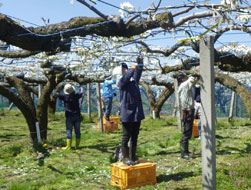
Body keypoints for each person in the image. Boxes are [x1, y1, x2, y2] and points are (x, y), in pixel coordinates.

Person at [117, 56, 145, 166]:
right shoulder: (121, 82)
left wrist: (140, 65)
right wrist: (133, 67)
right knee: (126, 136)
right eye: (124, 68)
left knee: (135, 135)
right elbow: (127, 76)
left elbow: (136, 74)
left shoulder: (133, 82)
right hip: (127, 113)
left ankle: (133, 156)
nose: (126, 70)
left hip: (136, 113)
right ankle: (125, 157)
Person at [177, 71, 199, 159]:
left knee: (188, 130)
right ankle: (184, 153)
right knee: (187, 130)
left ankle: (185, 150)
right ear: (183, 79)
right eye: (185, 77)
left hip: (186, 110)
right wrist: (195, 73)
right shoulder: (185, 84)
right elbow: (192, 79)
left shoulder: (182, 86)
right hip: (188, 110)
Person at [57, 83, 84, 150]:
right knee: (77, 130)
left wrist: (60, 87)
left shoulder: (64, 97)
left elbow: (56, 94)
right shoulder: (76, 96)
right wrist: (81, 86)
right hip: (77, 115)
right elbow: (82, 92)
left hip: (69, 116)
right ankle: (77, 146)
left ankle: (68, 146)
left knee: (69, 130)